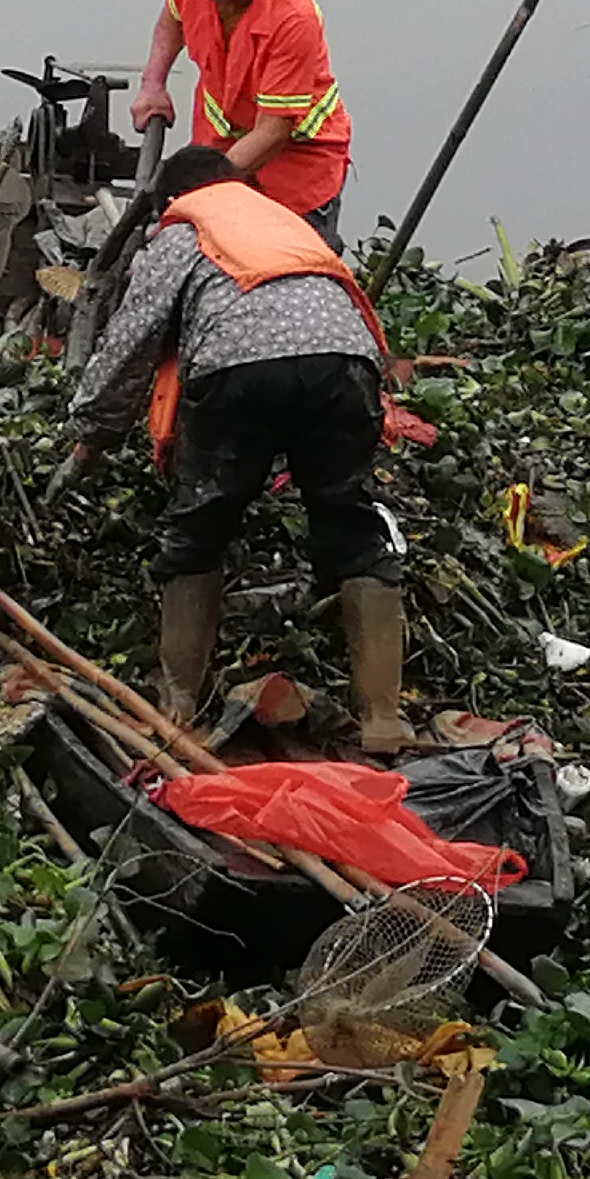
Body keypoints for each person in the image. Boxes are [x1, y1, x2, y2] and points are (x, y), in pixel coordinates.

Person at [68, 144, 411, 750]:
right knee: (353, 526)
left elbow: (131, 346)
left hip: (238, 365)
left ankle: (177, 708)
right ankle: (384, 720)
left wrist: (91, 436)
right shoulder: (285, 224)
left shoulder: (183, 233)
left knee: (201, 523)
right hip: (348, 365)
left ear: (173, 200)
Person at [134, 0, 352, 243]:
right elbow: (172, 18)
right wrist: (153, 85)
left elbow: (272, 131)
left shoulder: (292, 17)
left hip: (294, 169)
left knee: (284, 273)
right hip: (219, 144)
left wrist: (204, 193)